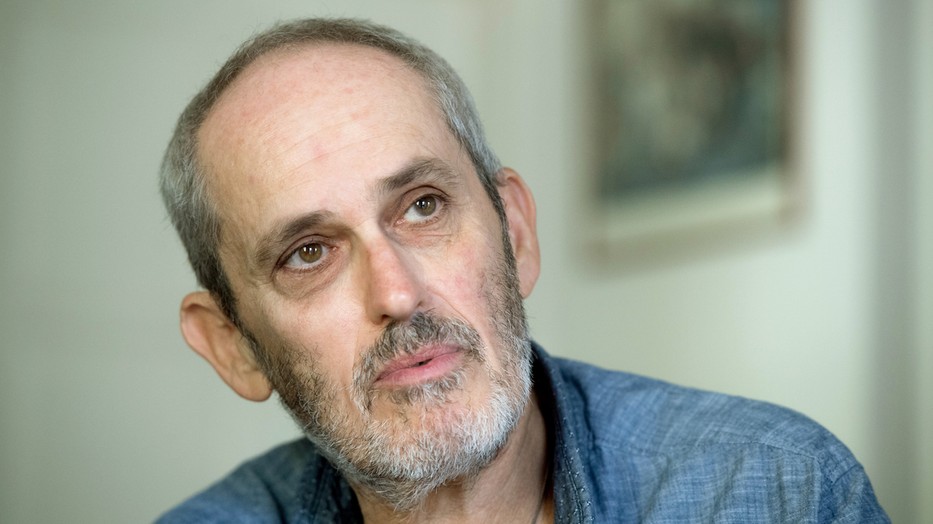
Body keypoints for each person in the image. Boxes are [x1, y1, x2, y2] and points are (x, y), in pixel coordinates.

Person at [156, 17, 888, 524]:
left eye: (422, 206)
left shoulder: (779, 490)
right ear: (235, 346)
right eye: (308, 253)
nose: (397, 293)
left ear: (514, 232)